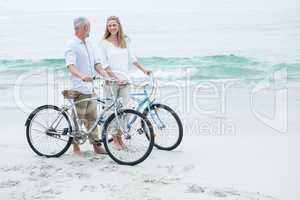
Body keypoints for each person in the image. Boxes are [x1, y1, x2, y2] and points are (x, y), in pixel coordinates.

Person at [98, 16, 152, 150]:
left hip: (126, 80)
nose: (112, 28)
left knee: (126, 110)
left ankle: (120, 136)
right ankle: (115, 139)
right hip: (111, 82)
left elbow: (132, 58)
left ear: (119, 26)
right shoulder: (104, 43)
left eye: (114, 25)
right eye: (109, 25)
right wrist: (115, 78)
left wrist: (143, 69)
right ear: (107, 27)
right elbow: (104, 64)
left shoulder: (125, 40)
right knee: (112, 110)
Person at [64, 17, 110, 155]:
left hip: (91, 88)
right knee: (78, 118)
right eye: (88, 27)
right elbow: (70, 66)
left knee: (93, 118)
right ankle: (76, 147)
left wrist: (104, 73)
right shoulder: (71, 45)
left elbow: (96, 62)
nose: (90, 29)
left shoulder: (89, 43)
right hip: (79, 88)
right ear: (83, 28)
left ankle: (96, 145)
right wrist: (82, 76)